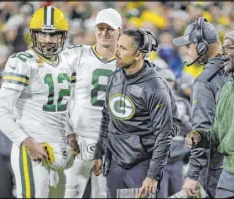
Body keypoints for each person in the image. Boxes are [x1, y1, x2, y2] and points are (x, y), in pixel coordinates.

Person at [0, 6, 80, 198]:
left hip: (60, 151)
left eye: (54, 34)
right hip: (33, 148)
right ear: (33, 35)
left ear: (63, 36)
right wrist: (28, 142)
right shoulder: (23, 61)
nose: (48, 40)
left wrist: (71, 133)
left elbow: (63, 108)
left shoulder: (67, 63)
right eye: (42, 34)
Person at [92, 28, 181, 198]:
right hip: (115, 162)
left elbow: (164, 135)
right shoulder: (115, 77)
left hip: (142, 165)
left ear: (139, 54)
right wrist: (99, 153)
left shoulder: (155, 87)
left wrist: (152, 175)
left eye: (123, 48)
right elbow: (106, 118)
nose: (116, 52)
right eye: (117, 46)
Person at [64, 8, 122, 198]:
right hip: (79, 138)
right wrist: (67, 131)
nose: (104, 33)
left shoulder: (127, 60)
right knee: (70, 192)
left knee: (105, 194)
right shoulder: (77, 55)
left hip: (112, 141)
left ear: (119, 31)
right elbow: (63, 95)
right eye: (101, 28)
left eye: (110, 29)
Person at [173, 17, 225, 198]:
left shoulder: (204, 82)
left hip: (218, 168)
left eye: (188, 45)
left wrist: (193, 174)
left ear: (201, 46)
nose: (186, 51)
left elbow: (202, 133)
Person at [185, 26, 234, 198]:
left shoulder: (206, 81)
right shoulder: (228, 86)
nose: (223, 53)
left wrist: (193, 174)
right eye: (223, 47)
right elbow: (219, 132)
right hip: (228, 173)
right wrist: (200, 137)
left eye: (230, 47)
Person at [157, 69, 192, 198]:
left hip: (178, 159)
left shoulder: (183, 102)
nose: (167, 83)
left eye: (170, 80)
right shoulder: (151, 100)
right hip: (159, 161)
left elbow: (192, 129)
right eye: (164, 80)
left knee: (179, 194)